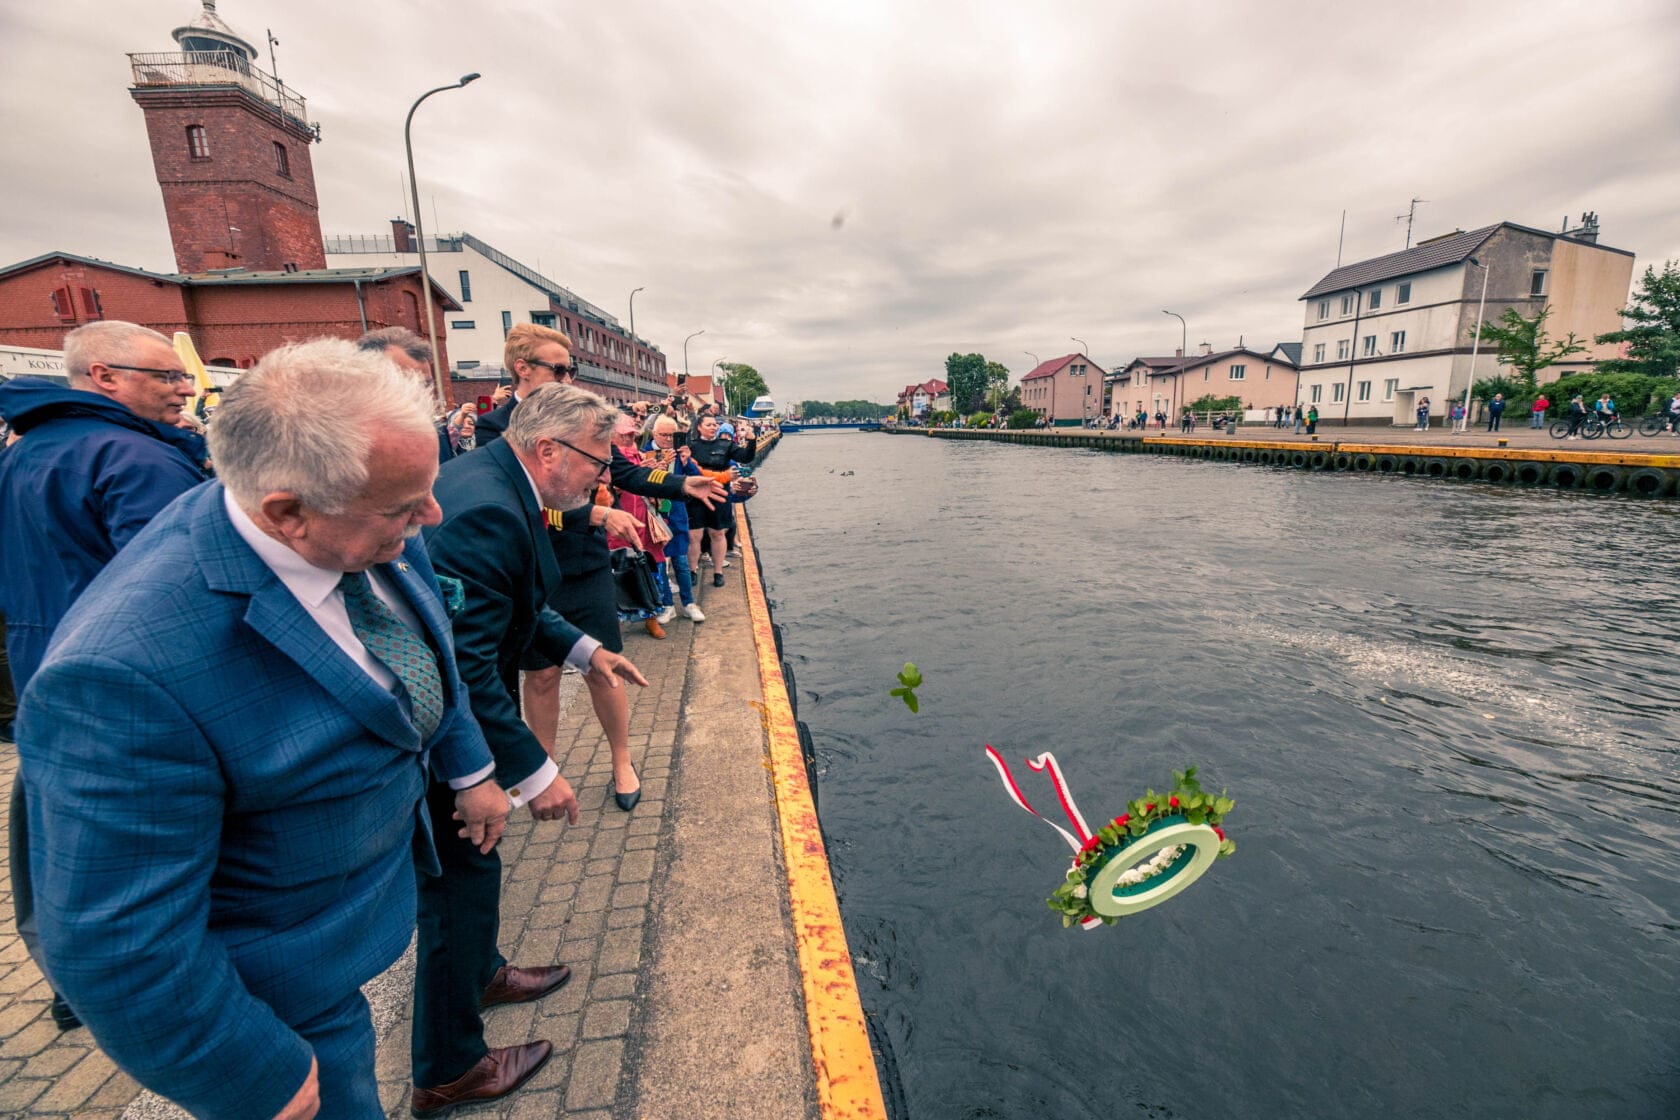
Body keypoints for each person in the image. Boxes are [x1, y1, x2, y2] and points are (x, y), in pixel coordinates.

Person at [17, 339, 509, 1119]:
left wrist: (470, 768)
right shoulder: (123, 673)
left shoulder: (358, 520)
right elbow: (115, 936)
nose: (431, 518)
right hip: (277, 999)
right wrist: (242, 1069)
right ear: (287, 513)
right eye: (403, 508)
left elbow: (424, 645)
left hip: (345, 927)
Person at [416, 381, 653, 1117]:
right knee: (455, 891)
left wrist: (587, 650)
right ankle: (449, 1068)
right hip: (444, 739)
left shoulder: (495, 480)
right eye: (596, 460)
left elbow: (518, 603)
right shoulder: (488, 508)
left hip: (455, 720)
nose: (602, 476)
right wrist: (533, 772)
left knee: (475, 877)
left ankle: (480, 973)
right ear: (548, 449)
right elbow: (465, 666)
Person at [0, 320, 209, 1033]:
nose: (183, 389)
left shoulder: (27, 450)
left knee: (57, 835)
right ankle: (142, 996)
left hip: (44, 669)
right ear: (105, 377)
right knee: (140, 848)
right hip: (129, 685)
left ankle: (73, 979)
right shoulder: (133, 458)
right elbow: (177, 592)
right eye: (166, 376)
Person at [356, 326, 454, 466]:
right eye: (408, 384)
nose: (421, 395)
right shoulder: (343, 442)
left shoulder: (434, 430)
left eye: (426, 385)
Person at [644, 415, 705, 622]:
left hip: (677, 512)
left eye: (673, 435)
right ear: (654, 434)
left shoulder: (680, 453)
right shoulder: (645, 453)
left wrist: (688, 463)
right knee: (660, 562)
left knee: (680, 560)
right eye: (664, 435)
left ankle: (688, 603)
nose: (669, 439)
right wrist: (652, 469)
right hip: (654, 514)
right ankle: (667, 605)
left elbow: (696, 478)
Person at [686, 414, 756, 588]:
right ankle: (692, 570)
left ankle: (718, 572)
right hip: (695, 495)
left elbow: (746, 457)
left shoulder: (726, 445)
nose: (713, 427)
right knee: (694, 535)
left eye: (715, 425)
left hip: (719, 493)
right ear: (699, 427)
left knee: (717, 533)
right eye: (709, 425)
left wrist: (751, 441)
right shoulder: (691, 446)